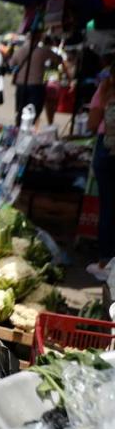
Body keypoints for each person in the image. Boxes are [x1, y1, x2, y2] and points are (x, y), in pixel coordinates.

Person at [87, 69, 115, 281]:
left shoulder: (105, 90)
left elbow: (91, 124)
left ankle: (105, 261)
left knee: (108, 206)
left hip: (107, 151)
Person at [10, 30, 63, 126]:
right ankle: (28, 129)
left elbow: (12, 63)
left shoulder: (20, 50)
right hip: (36, 85)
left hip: (21, 84)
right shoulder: (43, 51)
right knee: (34, 112)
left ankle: (19, 129)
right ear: (39, 38)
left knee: (21, 111)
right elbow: (59, 59)